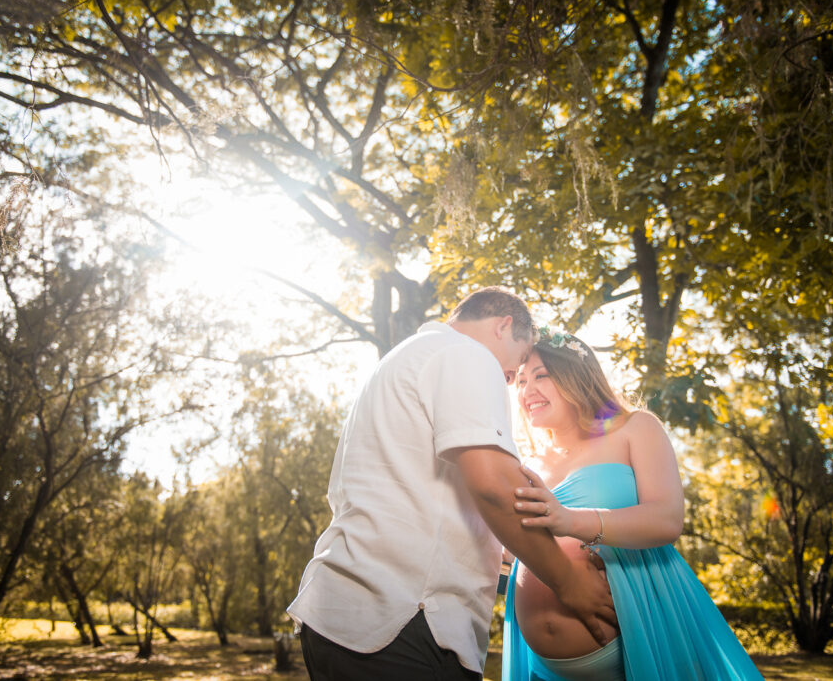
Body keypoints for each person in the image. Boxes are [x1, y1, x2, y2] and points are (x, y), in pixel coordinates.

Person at [287, 288, 616, 681]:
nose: (511, 382)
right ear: (504, 326)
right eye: (514, 369)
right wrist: (569, 581)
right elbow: (494, 485)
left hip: (345, 617)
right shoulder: (466, 354)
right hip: (398, 622)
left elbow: (428, 503)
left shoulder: (410, 358)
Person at [502, 327, 765, 680]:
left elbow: (667, 519)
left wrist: (571, 520)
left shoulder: (634, 429)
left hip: (638, 635)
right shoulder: (528, 461)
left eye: (540, 375)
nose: (526, 390)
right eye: (519, 381)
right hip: (541, 664)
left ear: (575, 374)